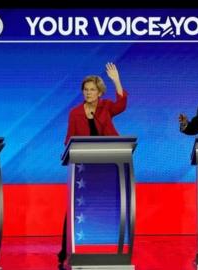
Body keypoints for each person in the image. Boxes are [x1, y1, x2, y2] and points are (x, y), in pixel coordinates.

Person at [58, 62, 127, 268]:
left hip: (108, 163)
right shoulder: (75, 112)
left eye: (92, 90)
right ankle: (65, 251)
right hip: (84, 167)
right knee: (74, 207)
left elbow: (122, 104)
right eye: (86, 90)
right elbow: (68, 139)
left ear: (99, 92)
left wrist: (116, 80)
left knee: (112, 204)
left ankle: (114, 250)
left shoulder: (106, 107)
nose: (88, 93)